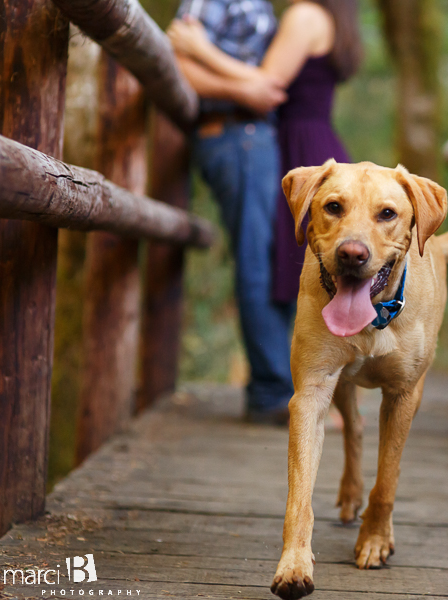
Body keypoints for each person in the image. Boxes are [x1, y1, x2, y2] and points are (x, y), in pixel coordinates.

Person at [168, 0, 362, 307]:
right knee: (302, 272)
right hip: (314, 142)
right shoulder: (330, 19)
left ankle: (289, 354)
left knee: (283, 269)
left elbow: (268, 83)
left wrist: (201, 49)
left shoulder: (305, 16)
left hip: (301, 148)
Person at [171, 0, 293, 424]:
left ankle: (277, 387)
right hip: (235, 134)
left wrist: (252, 84)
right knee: (257, 259)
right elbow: (176, 59)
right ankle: (271, 393)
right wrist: (246, 89)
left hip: (251, 136)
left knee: (267, 258)